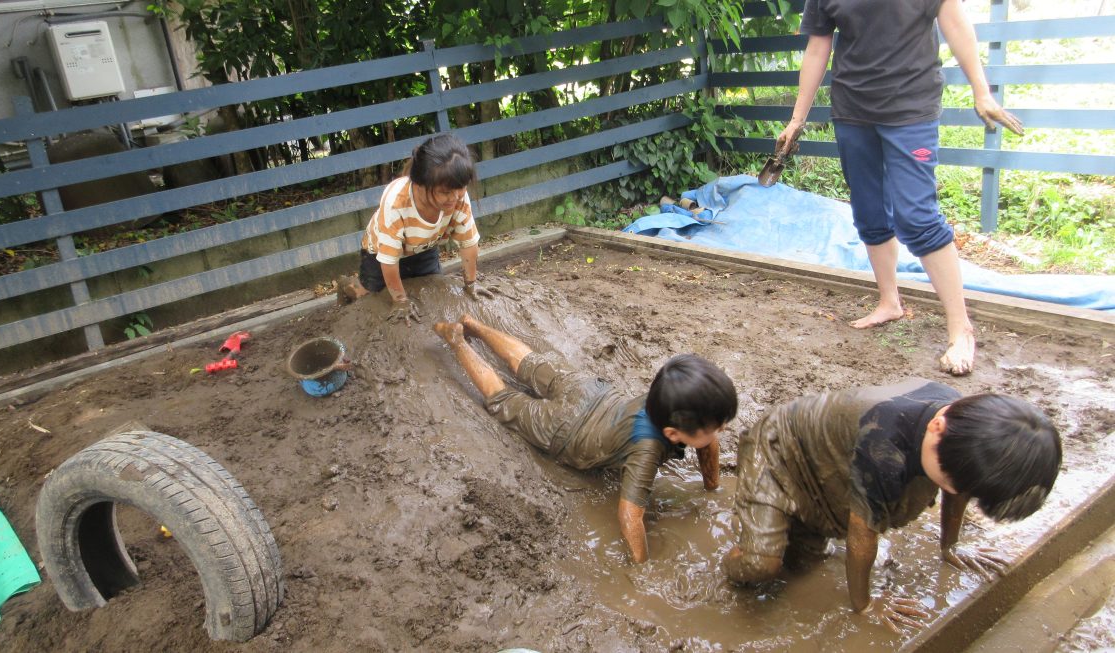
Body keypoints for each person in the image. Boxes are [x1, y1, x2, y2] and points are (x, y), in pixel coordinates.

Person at [774, 0, 1025, 376]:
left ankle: (961, 329)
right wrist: (797, 119)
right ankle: (889, 302)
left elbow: (955, 24)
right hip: (852, 110)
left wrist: (981, 90)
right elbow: (818, 47)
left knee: (917, 217)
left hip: (910, 108)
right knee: (869, 211)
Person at [721, 378, 1061, 632]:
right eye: (948, 482)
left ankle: (788, 524)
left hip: (826, 460)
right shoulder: (886, 446)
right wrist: (865, 605)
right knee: (761, 565)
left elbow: (960, 486)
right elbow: (862, 533)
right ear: (937, 427)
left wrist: (951, 547)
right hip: (779, 447)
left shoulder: (966, 431)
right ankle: (731, 557)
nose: (952, 492)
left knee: (802, 565)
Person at [433, 314, 738, 562]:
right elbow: (630, 515)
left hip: (589, 390)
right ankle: (456, 339)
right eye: (718, 427)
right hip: (567, 432)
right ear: (671, 434)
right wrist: (641, 565)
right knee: (504, 400)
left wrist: (712, 488)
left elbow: (706, 441)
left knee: (528, 362)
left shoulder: (671, 397)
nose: (720, 433)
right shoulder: (648, 450)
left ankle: (473, 324)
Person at [343, 133, 484, 323]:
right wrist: (400, 300)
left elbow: (468, 243)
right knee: (373, 299)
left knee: (431, 290)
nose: (456, 197)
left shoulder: (457, 197)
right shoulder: (396, 203)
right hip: (380, 253)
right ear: (419, 185)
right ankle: (349, 286)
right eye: (445, 192)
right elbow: (388, 261)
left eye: (462, 187)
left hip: (423, 247)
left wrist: (471, 283)